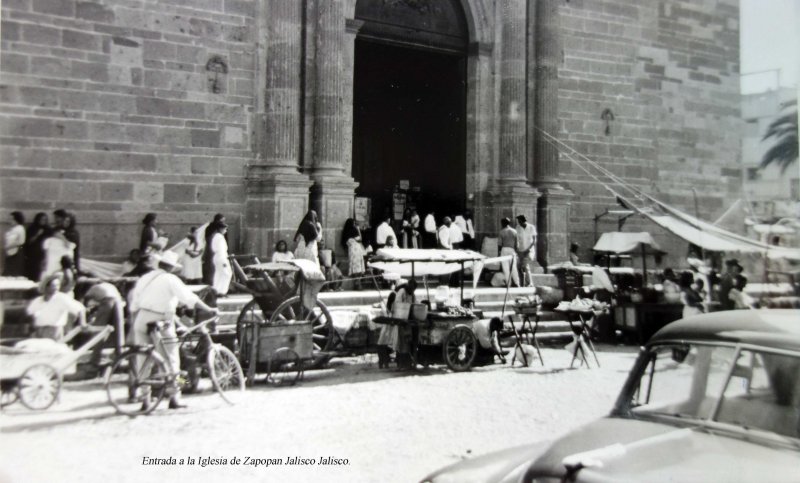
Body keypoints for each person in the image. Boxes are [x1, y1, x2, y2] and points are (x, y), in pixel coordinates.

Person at [128, 251, 219, 409]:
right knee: (172, 360)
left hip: (141, 319)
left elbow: (134, 303)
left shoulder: (145, 278)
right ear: (171, 267)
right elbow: (190, 298)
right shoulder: (170, 279)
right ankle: (175, 396)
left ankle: (145, 399)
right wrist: (209, 309)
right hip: (161, 321)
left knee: (143, 359)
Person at [26, 274, 87, 340]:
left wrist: (82, 323)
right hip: (38, 331)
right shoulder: (38, 300)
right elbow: (30, 313)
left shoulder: (62, 298)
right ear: (46, 287)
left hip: (54, 331)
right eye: (53, 286)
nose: (56, 288)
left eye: (57, 285)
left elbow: (80, 308)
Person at [377, 279, 417, 369]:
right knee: (393, 342)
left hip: (404, 319)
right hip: (396, 319)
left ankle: (400, 361)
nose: (411, 291)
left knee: (401, 342)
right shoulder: (398, 293)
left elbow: (414, 303)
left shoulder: (411, 294)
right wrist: (406, 308)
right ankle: (386, 361)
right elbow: (397, 306)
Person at [24, 212, 52, 281]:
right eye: (42, 219)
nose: (43, 221)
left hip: (43, 254)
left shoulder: (48, 229)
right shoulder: (32, 228)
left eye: (45, 220)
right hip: (33, 254)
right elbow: (28, 241)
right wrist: (37, 234)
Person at [208, 221, 232, 296]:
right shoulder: (220, 237)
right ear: (220, 229)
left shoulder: (215, 236)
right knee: (227, 273)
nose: (225, 231)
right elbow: (221, 249)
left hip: (217, 257)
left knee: (218, 273)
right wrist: (224, 262)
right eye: (224, 229)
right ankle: (222, 291)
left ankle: (216, 290)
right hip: (221, 257)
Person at [202, 214, 226, 286]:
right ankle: (211, 283)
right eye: (222, 220)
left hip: (212, 249)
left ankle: (212, 283)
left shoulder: (212, 228)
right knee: (212, 267)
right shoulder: (214, 229)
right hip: (214, 250)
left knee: (213, 266)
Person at [515, 214, 537, 287]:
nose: (519, 223)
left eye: (519, 221)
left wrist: (529, 249)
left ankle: (529, 283)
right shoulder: (517, 228)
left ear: (523, 221)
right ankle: (523, 283)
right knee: (520, 267)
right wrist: (517, 249)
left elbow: (534, 240)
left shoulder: (531, 227)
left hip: (529, 250)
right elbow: (517, 239)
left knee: (525, 265)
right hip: (521, 250)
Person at [498, 218, 520, 287]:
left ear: (503, 223)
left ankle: (508, 283)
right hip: (512, 249)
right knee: (513, 267)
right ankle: (517, 283)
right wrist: (516, 252)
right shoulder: (514, 231)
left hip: (504, 249)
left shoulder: (502, 232)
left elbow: (499, 244)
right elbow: (517, 244)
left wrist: (499, 252)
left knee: (505, 268)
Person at [3, 211, 26, 277]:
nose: (9, 220)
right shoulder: (12, 229)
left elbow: (21, 241)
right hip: (9, 252)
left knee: (14, 271)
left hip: (16, 252)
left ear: (16, 219)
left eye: (11, 219)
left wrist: (9, 246)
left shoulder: (20, 228)